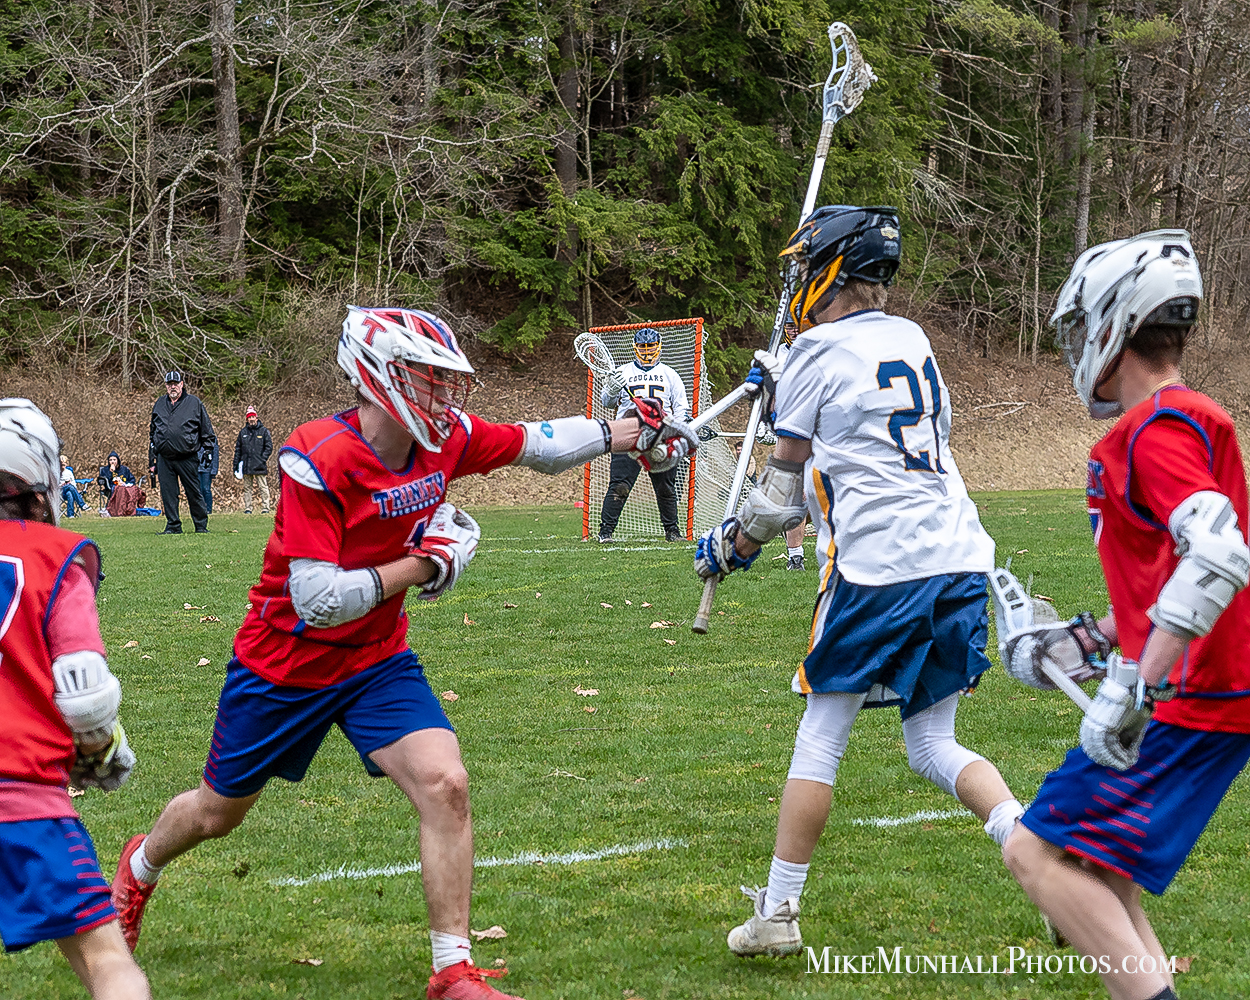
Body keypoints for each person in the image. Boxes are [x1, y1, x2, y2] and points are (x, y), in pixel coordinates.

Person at [109, 307, 697, 1000]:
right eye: (429, 377)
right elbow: (317, 600)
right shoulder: (317, 455)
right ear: (380, 378)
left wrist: (627, 433)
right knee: (217, 813)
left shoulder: (444, 437)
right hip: (285, 665)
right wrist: (427, 563)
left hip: (374, 659)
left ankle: (453, 971)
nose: (445, 394)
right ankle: (138, 869)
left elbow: (536, 443)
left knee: (446, 783)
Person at [694, 205, 1024, 957]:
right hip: (958, 555)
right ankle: (1036, 851)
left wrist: (730, 546)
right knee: (932, 742)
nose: (798, 284)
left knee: (822, 736)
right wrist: (784, 389)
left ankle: (778, 911)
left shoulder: (814, 352)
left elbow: (781, 496)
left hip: (879, 566)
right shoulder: (912, 338)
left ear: (831, 272)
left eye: (807, 269)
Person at [997, 231, 1250, 1000]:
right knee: (1100, 870)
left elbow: (1218, 555)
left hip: (1194, 695)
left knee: (1034, 853)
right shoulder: (1187, 418)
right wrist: (1087, 640)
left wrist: (1138, 682)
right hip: (1209, 689)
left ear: (1116, 324)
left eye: (1083, 328)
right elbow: (1175, 574)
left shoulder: (1154, 429)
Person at [0, 399, 149, 998]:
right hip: (21, 796)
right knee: (106, 958)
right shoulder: (54, 554)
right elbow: (84, 689)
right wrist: (99, 747)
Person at [597, 326, 691, 543]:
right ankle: (605, 532)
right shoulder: (623, 372)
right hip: (628, 435)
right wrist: (612, 389)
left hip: (660, 436)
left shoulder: (670, 374)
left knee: (665, 487)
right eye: (642, 346)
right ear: (635, 347)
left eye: (650, 346)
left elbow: (681, 408)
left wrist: (677, 428)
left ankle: (672, 531)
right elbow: (606, 402)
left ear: (659, 347)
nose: (647, 350)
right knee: (620, 485)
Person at [148, 370, 215, 535]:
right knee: (168, 493)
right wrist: (152, 457)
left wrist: (208, 450)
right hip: (164, 457)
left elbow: (206, 429)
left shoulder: (194, 403)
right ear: (166, 386)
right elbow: (153, 432)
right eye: (169, 384)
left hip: (187, 456)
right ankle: (173, 525)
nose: (173, 387)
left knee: (194, 492)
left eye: (175, 384)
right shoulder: (159, 404)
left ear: (181, 384)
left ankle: (200, 525)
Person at [232, 406, 273, 513]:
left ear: (256, 418)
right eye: (249, 417)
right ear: (247, 419)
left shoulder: (264, 431)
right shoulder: (243, 432)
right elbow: (238, 450)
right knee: (247, 488)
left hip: (260, 465)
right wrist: (236, 465)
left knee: (263, 487)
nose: (251, 419)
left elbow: (269, 447)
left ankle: (266, 508)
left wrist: (262, 459)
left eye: (253, 417)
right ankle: (248, 508)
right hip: (246, 464)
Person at [197, 438, 219, 516]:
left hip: (207, 468)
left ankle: (208, 509)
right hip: (197, 468)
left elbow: (215, 455)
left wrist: (214, 470)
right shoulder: (194, 436)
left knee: (206, 489)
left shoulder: (211, 438)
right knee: (198, 490)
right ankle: (200, 509)